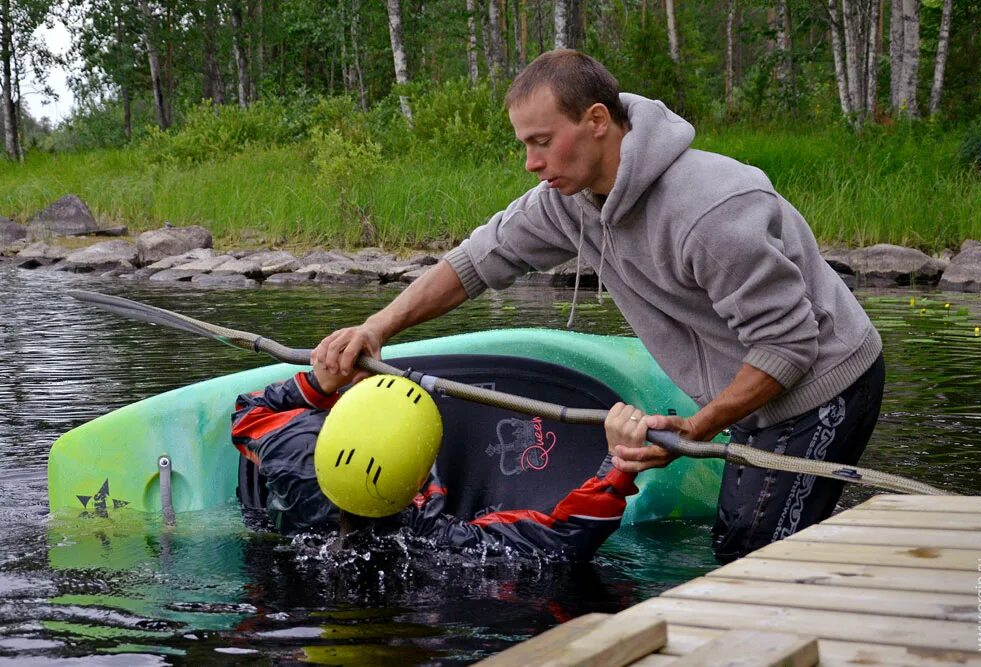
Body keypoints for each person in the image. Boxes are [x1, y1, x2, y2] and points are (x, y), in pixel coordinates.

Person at [311, 49, 885, 564]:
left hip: (823, 384)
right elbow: (475, 263)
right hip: (753, 391)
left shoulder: (710, 210)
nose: (531, 163)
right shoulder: (569, 201)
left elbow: (787, 345)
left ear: (597, 121)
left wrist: (694, 427)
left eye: (542, 141)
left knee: (753, 555)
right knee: (739, 543)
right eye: (524, 145)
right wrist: (376, 326)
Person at [230, 359, 645, 562]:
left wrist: (321, 382)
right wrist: (619, 464)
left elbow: (249, 412)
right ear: (415, 483)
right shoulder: (433, 538)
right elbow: (562, 541)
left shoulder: (291, 447)